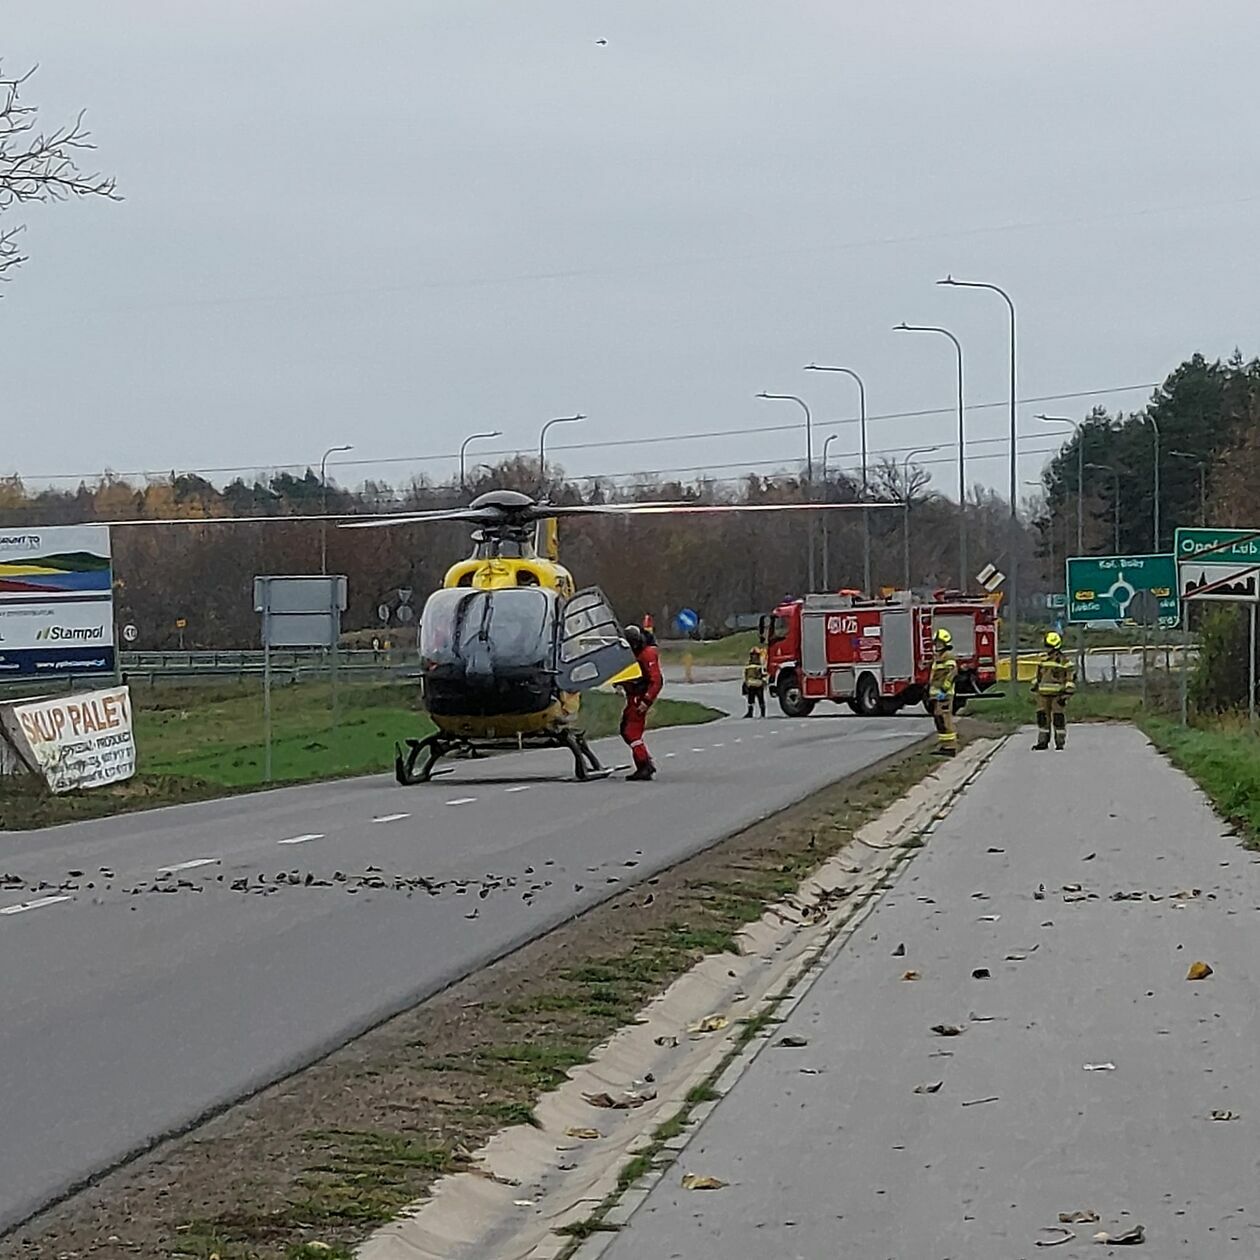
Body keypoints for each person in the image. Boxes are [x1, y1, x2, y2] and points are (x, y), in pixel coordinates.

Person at [619, 623, 663, 780]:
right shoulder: (637, 653)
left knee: (631, 732)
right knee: (626, 729)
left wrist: (647, 701)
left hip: (639, 697)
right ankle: (643, 763)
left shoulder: (647, 654)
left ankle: (644, 765)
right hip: (634, 696)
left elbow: (656, 681)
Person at [1032, 630, 1076, 750]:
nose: (1046, 649)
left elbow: (1070, 679)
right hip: (1043, 695)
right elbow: (1038, 677)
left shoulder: (1064, 662)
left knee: (1058, 718)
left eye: (1048, 646)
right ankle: (1042, 742)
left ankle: (1060, 742)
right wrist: (1035, 688)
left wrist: (1066, 695)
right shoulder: (1043, 660)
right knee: (1042, 718)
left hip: (1058, 696)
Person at [928, 627, 958, 758]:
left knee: (945, 720)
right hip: (937, 694)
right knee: (939, 719)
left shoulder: (948, 657)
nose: (936, 646)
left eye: (939, 643)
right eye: (936, 643)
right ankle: (944, 745)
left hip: (944, 695)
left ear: (945, 644)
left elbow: (951, 674)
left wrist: (944, 690)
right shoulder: (938, 657)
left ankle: (950, 747)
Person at [742, 648, 767, 717]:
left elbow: (764, 674)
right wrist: (745, 684)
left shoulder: (761, 665)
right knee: (750, 700)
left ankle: (762, 713)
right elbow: (746, 675)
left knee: (761, 699)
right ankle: (750, 712)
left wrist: (764, 681)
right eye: (753, 655)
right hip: (751, 685)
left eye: (755, 655)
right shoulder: (748, 665)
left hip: (759, 684)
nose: (754, 657)